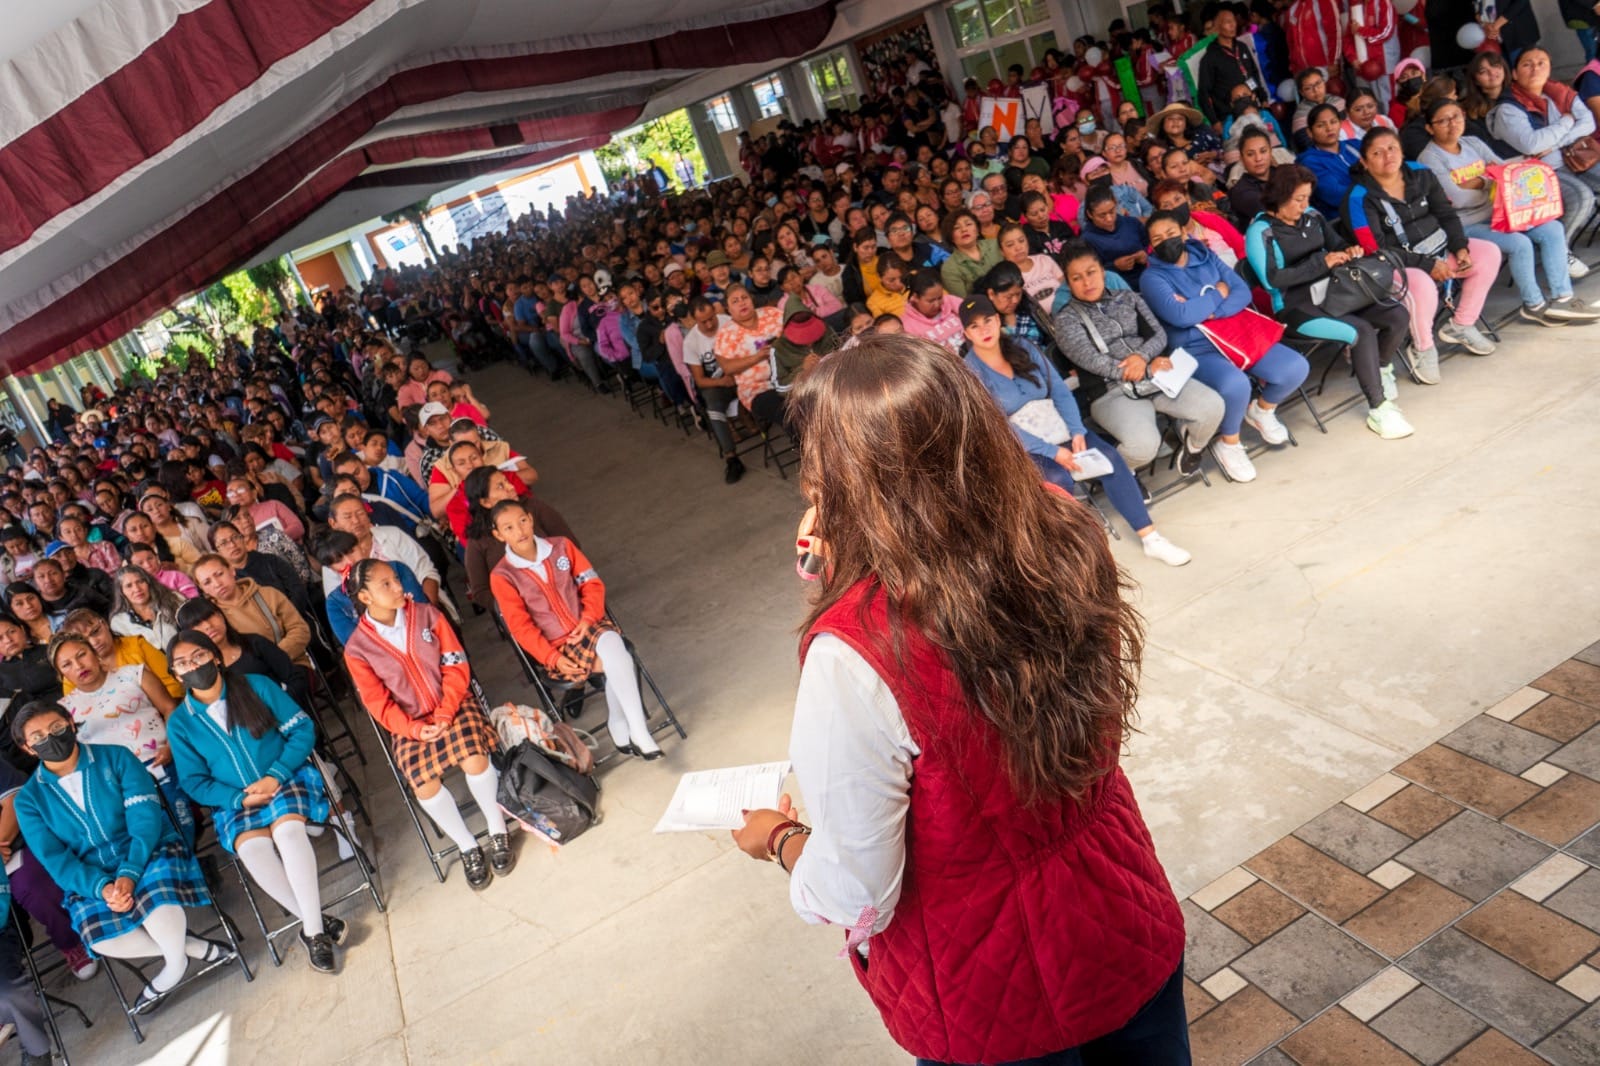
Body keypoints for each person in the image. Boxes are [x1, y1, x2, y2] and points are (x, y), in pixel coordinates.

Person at [730, 336, 1186, 1064]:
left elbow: (857, 891)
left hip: (989, 993)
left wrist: (780, 842)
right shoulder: (1064, 530)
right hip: (1120, 912)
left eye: (820, 471)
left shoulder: (855, 654)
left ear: (852, 482)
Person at [12, 700, 230, 1013]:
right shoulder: (30, 800)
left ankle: (172, 970)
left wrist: (128, 874)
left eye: (56, 728)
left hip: (148, 849)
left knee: (156, 905)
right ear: (27, 748)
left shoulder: (115, 757)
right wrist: (103, 888)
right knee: (99, 938)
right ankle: (194, 947)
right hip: (92, 875)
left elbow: (144, 818)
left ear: (71, 724)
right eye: (38, 737)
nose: (50, 738)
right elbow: (57, 860)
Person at [164, 630, 346, 974]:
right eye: (183, 664)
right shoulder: (181, 723)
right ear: (175, 674)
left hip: (285, 778)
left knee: (289, 834)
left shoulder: (256, 685)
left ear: (215, 657)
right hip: (237, 800)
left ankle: (314, 933)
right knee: (252, 852)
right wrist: (237, 797)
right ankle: (316, 921)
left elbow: (302, 730)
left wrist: (275, 775)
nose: (193, 667)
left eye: (199, 657)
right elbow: (193, 782)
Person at [960, 297, 1192, 566]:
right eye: (974, 326)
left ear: (998, 320)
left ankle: (1151, 538)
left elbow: (1059, 390)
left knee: (1110, 460)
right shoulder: (969, 370)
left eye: (988, 321)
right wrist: (1052, 451)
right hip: (1020, 445)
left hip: (1057, 425)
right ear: (966, 333)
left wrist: (1077, 431)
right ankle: (1077, 556)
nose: (984, 330)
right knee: (1057, 478)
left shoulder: (1023, 347)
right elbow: (996, 423)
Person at [342, 561, 513, 890]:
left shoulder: (427, 615)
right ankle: (467, 846)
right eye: (385, 585)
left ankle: (497, 829)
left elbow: (455, 663)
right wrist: (414, 729)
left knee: (474, 758)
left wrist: (446, 711)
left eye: (395, 579)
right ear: (365, 596)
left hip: (453, 704)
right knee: (423, 783)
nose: (397, 588)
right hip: (410, 724)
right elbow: (378, 703)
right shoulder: (357, 649)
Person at [1140, 210, 1310, 482]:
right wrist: (1218, 293)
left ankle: (1261, 410)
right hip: (1197, 347)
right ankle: (1229, 443)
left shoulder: (1205, 256)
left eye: (1171, 234)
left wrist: (1209, 311)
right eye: (1157, 239)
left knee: (1295, 368)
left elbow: (1241, 291)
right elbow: (1180, 317)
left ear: (1184, 233)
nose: (1165, 242)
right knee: (1236, 384)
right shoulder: (1152, 278)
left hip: (1235, 333)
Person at [488, 500, 663, 759]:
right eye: (509, 527)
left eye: (522, 521)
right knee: (618, 660)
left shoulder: (561, 547)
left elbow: (591, 582)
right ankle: (622, 724)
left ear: (530, 518)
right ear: (498, 534)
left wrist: (588, 618)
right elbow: (520, 627)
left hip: (588, 625)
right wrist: (552, 658)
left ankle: (636, 729)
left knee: (614, 645)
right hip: (557, 647)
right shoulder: (502, 576)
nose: (520, 530)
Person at [1253, 167, 1418, 438]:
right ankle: (1379, 409)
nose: (1305, 205)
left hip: (1335, 292)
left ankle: (1379, 366)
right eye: (1298, 199)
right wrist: (1322, 262)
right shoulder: (1262, 230)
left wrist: (1348, 250)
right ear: (1279, 197)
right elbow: (1272, 280)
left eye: (1307, 197)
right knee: (1360, 331)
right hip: (1296, 307)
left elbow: (1338, 244)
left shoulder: (1311, 217)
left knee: (1397, 314)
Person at [1420, 98, 1600, 327]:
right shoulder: (1430, 158)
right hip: (1465, 224)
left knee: (1553, 227)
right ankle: (1533, 305)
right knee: (1519, 243)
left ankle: (1562, 298)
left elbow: (1506, 174)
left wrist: (1482, 183)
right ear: (1430, 128)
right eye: (1443, 121)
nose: (1452, 123)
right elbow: (1456, 199)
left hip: (1500, 212)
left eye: (1456, 116)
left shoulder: (1473, 143)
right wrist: (1491, 183)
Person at [1052, 243, 1225, 477]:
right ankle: (1124, 475)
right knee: (1143, 447)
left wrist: (1143, 358)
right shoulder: (1066, 320)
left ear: (1103, 271)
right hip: (1111, 392)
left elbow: (1158, 334)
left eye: (1091, 272)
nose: (1087, 282)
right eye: (1077, 278)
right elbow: (1092, 360)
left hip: (1156, 377)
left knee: (1213, 406)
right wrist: (1144, 369)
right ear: (1068, 283)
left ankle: (1191, 449)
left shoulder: (1128, 298)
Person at [1344, 126, 1502, 374]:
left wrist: (1460, 247)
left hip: (1438, 250)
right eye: (1377, 153)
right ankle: (1423, 348)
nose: (1388, 156)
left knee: (1488, 253)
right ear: (1364, 162)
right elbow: (1377, 250)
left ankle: (1461, 324)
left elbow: (1446, 214)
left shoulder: (1421, 174)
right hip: (1395, 266)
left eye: (1392, 148)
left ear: (1401, 150)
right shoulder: (1359, 198)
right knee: (1422, 284)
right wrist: (1428, 265)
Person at [1488, 47, 1600, 247]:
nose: (1535, 69)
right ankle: (1558, 249)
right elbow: (1533, 144)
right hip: (1534, 176)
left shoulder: (1556, 94)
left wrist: (1556, 143)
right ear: (1514, 73)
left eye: (1541, 63)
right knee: (1582, 197)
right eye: (1527, 64)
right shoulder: (1508, 108)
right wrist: (1566, 121)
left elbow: (1588, 122)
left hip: (1571, 158)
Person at [1198, 7, 1268, 124]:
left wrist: (1263, 98)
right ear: (1217, 28)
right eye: (1227, 22)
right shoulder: (1210, 58)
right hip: (1230, 115)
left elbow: (1253, 74)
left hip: (1253, 107)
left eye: (1233, 21)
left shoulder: (1242, 47)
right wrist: (1215, 121)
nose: (1233, 25)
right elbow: (1203, 93)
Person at [1299, 104, 1362, 216]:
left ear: (1340, 124)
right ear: (1310, 132)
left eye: (1333, 122)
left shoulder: (1355, 145)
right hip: (1344, 219)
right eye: (1320, 125)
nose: (1329, 128)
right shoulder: (1309, 162)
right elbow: (1336, 195)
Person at [110, 565, 188, 652]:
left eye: (140, 581)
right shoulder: (119, 622)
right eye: (129, 586)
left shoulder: (174, 599)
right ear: (121, 592)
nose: (136, 589)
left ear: (148, 583)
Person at [1081, 186, 1149, 286]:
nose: (1109, 219)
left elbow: (1151, 246)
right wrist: (1114, 266)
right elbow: (1090, 271)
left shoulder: (1131, 223)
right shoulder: (1087, 239)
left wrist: (1145, 254)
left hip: (1148, 276)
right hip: (1118, 286)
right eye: (1102, 215)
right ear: (1090, 214)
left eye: (1112, 211)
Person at [938, 210, 1002, 298]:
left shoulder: (996, 244)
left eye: (968, 224)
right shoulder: (949, 268)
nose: (964, 230)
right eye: (956, 228)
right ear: (951, 237)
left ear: (977, 230)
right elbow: (963, 302)